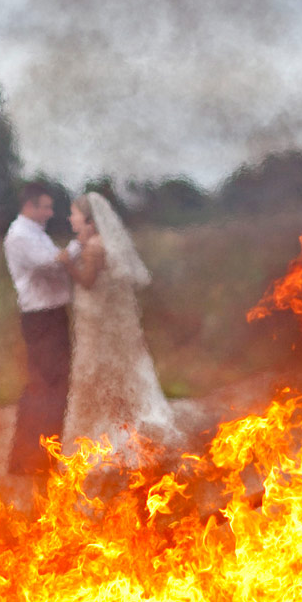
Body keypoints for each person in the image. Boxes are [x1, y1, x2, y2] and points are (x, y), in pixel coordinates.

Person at [58, 191, 178, 464]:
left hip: (96, 325)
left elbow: (87, 281)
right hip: (100, 322)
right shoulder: (99, 243)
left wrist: (68, 264)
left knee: (95, 377)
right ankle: (121, 434)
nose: (70, 218)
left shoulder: (95, 247)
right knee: (112, 377)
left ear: (88, 219)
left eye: (74, 213)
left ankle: (103, 440)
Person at [3, 182, 73, 474]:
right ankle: (29, 459)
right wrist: (79, 246)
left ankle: (43, 456)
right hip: (41, 318)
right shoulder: (20, 235)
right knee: (43, 386)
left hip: (52, 315)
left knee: (56, 387)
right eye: (45, 206)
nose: (50, 212)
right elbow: (50, 265)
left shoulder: (36, 234)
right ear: (30, 206)